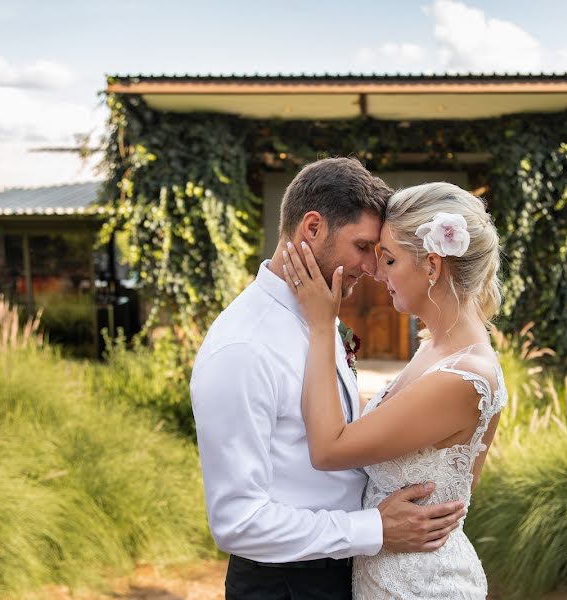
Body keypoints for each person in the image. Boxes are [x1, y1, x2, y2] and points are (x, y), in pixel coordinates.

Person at [190, 159, 467, 600]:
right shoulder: (242, 347)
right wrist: (372, 528)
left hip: (339, 573)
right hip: (285, 586)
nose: (372, 269)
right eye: (362, 246)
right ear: (312, 228)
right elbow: (237, 523)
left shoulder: (318, 314)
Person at [282, 181, 507, 599]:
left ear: (432, 266)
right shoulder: (436, 348)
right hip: (387, 576)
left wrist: (320, 324)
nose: (377, 272)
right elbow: (458, 480)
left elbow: (329, 449)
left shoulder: (462, 376)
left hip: (421, 586)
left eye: (388, 258)